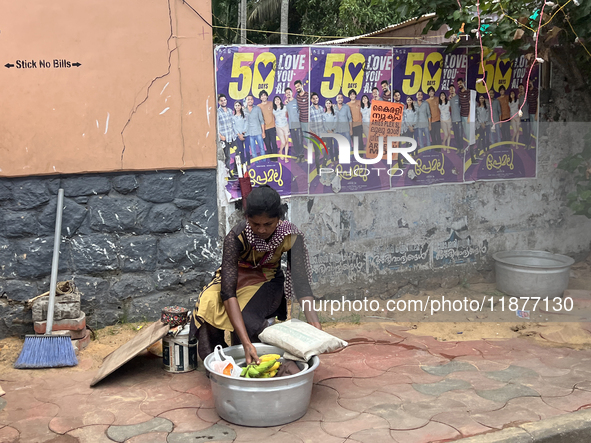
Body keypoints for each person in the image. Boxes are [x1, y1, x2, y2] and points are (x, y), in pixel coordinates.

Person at [191, 185, 322, 364]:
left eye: (268, 224)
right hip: (235, 277)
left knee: (246, 316)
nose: (261, 230)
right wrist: (245, 343)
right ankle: (218, 362)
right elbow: (228, 292)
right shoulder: (236, 237)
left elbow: (301, 282)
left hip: (268, 279)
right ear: (247, 219)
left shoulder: (291, 236)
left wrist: (315, 324)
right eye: (255, 224)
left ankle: (258, 357)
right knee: (207, 304)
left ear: (279, 219)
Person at [217, 94, 236, 173]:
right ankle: (228, 174)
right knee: (227, 157)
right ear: (219, 102)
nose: (223, 102)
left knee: (237, 154)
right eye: (221, 100)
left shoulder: (229, 110)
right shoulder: (217, 112)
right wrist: (220, 136)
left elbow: (233, 123)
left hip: (232, 136)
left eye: (224, 100)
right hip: (224, 138)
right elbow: (216, 125)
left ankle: (236, 171)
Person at [284, 87, 304, 161]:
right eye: (287, 93)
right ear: (285, 94)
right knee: (295, 142)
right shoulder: (286, 104)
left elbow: (300, 111)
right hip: (291, 125)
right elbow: (286, 115)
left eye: (289, 92)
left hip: (297, 124)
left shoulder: (296, 101)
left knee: (299, 141)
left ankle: (302, 157)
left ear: (292, 93)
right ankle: (298, 156)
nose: (288, 94)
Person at [258, 91, 277, 161]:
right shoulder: (258, 106)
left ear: (267, 96)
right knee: (267, 144)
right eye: (262, 96)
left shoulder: (271, 103)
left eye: (264, 95)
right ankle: (271, 158)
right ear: (260, 98)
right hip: (264, 129)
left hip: (272, 127)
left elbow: (279, 107)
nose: (263, 97)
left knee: (274, 143)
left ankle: (275, 158)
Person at [309, 92, 325, 170]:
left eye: (316, 98)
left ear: (318, 99)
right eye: (313, 98)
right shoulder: (309, 110)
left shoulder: (321, 108)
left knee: (327, 150)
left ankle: (325, 166)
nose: (315, 100)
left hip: (322, 134)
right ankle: (318, 170)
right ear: (311, 100)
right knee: (317, 153)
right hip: (315, 135)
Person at [273, 96, 290, 162]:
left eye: (278, 99)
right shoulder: (273, 110)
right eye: (275, 100)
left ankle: (286, 157)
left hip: (285, 125)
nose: (277, 101)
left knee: (287, 142)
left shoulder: (285, 107)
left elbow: (287, 115)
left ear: (280, 100)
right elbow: (273, 118)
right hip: (278, 127)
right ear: (274, 102)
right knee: (283, 142)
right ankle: (280, 151)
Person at [233, 101, 250, 167]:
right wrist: (239, 134)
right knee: (241, 151)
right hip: (238, 136)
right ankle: (243, 164)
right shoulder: (233, 117)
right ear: (234, 107)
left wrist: (243, 133)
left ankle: (248, 163)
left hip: (246, 135)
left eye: (238, 105)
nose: (237, 107)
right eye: (236, 105)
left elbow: (246, 124)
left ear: (241, 106)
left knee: (247, 150)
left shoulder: (245, 115)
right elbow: (234, 127)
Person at [449, 85, 464, 151]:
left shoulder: (458, 97)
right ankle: (458, 148)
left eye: (453, 88)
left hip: (459, 119)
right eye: (450, 89)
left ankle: (462, 148)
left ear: (455, 89)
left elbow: (462, 107)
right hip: (453, 120)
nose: (451, 90)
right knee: (456, 135)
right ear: (449, 91)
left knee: (460, 135)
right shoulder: (449, 99)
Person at [457, 78, 471, 144]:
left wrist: (469, 116)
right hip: (461, 115)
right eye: (458, 84)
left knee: (468, 131)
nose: (459, 85)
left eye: (460, 83)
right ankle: (468, 144)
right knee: (465, 131)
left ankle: (470, 145)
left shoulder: (468, 92)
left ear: (464, 82)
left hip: (467, 116)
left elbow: (470, 105)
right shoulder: (459, 93)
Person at [517, 83, 530, 147]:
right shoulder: (519, 97)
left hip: (527, 116)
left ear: (524, 88)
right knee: (524, 131)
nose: (520, 89)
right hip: (522, 117)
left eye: (521, 87)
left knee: (528, 131)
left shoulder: (526, 95)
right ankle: (526, 144)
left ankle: (529, 144)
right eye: (519, 88)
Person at [527, 79, 539, 147]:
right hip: (530, 113)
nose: (529, 83)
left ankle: (537, 145)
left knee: (535, 130)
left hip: (534, 113)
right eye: (527, 82)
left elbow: (538, 102)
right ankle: (533, 144)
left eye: (530, 81)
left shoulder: (536, 90)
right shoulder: (528, 91)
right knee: (532, 130)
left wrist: (536, 114)